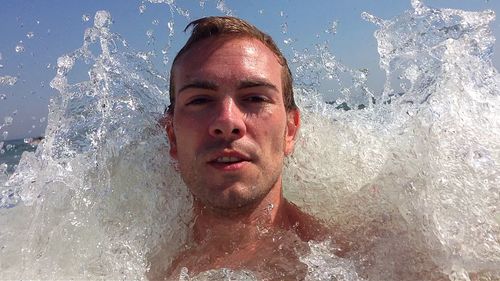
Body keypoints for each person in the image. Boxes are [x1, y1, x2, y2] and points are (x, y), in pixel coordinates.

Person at [156, 16, 339, 280]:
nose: (227, 121)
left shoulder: (352, 262)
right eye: (200, 100)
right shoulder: (122, 265)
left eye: (254, 98)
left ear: (290, 130)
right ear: (172, 137)